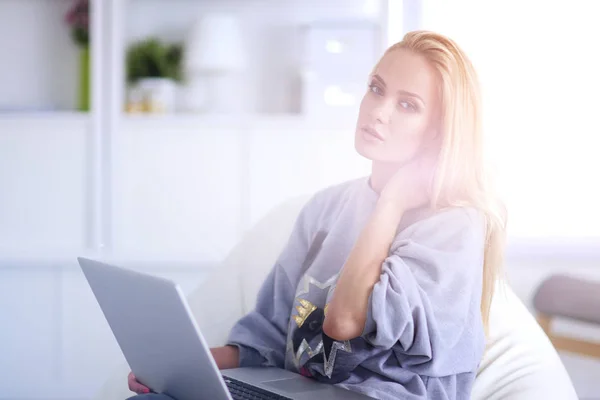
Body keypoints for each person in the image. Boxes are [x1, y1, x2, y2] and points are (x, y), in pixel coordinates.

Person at [127, 30, 506, 400]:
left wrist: (391, 203)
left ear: (439, 133)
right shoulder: (326, 208)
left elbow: (342, 323)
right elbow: (269, 341)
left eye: (407, 105)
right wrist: (184, 367)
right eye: (376, 88)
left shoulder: (453, 227)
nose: (378, 111)